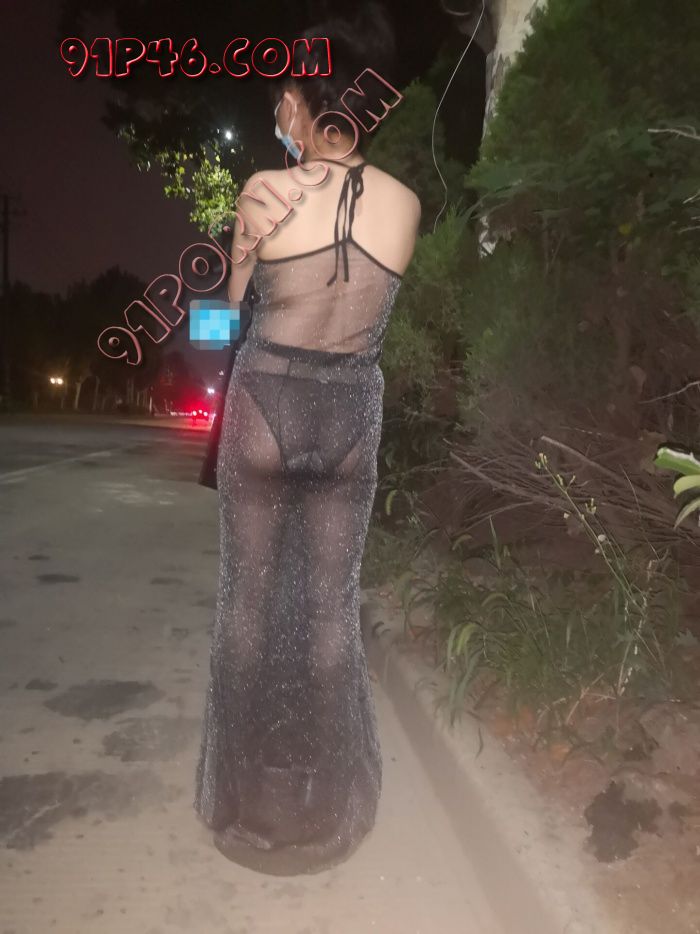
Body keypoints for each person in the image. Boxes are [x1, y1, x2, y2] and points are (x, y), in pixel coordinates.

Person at [193, 1, 421, 876]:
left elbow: (226, 315)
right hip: (351, 411)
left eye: (282, 99)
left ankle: (243, 806)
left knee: (247, 604)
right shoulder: (405, 204)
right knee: (330, 611)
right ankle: (324, 813)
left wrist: (235, 275)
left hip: (267, 402)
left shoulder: (264, 190)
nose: (277, 116)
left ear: (303, 96)